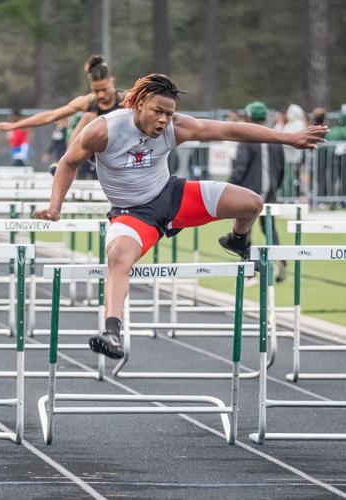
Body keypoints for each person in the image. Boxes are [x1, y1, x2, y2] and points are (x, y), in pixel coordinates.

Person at [35, 74, 328, 360]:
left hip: (171, 197)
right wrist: (55, 206)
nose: (163, 120)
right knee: (118, 257)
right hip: (133, 214)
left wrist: (288, 138)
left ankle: (239, 241)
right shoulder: (104, 130)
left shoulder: (177, 127)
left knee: (251, 203)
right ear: (138, 104)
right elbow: (67, 164)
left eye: (169, 114)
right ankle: (112, 331)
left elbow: (231, 131)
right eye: (157, 112)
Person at [0, 54, 124, 168]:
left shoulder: (127, 99)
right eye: (96, 90)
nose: (100, 95)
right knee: (88, 117)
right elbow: (50, 116)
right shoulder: (87, 102)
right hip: (94, 152)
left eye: (104, 89)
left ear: (112, 81)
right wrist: (13, 126)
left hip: (123, 152)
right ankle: (65, 164)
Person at [228, 101, 286, 282]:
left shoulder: (248, 138)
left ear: (250, 117)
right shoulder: (275, 138)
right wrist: (275, 188)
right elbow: (281, 167)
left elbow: (240, 167)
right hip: (270, 192)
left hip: (250, 192)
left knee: (244, 230)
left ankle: (249, 272)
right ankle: (281, 262)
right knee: (269, 228)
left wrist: (229, 187)